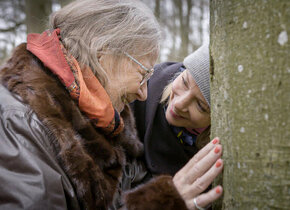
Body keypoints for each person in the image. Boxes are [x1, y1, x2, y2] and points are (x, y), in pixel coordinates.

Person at [0, 0, 222, 209]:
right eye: (143, 74)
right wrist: (163, 203)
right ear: (103, 52)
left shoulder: (101, 122)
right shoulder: (20, 125)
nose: (144, 93)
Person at [131, 44, 223, 209]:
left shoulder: (215, 151)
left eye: (201, 106)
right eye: (185, 82)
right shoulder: (136, 96)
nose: (179, 104)